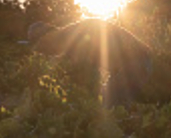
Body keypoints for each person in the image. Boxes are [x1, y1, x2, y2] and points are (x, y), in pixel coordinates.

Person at [28, 18, 156, 106]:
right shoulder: (68, 38)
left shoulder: (72, 40)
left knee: (108, 105)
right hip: (136, 62)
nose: (47, 53)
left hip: (138, 61)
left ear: (48, 36)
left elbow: (87, 77)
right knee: (111, 101)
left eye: (44, 48)